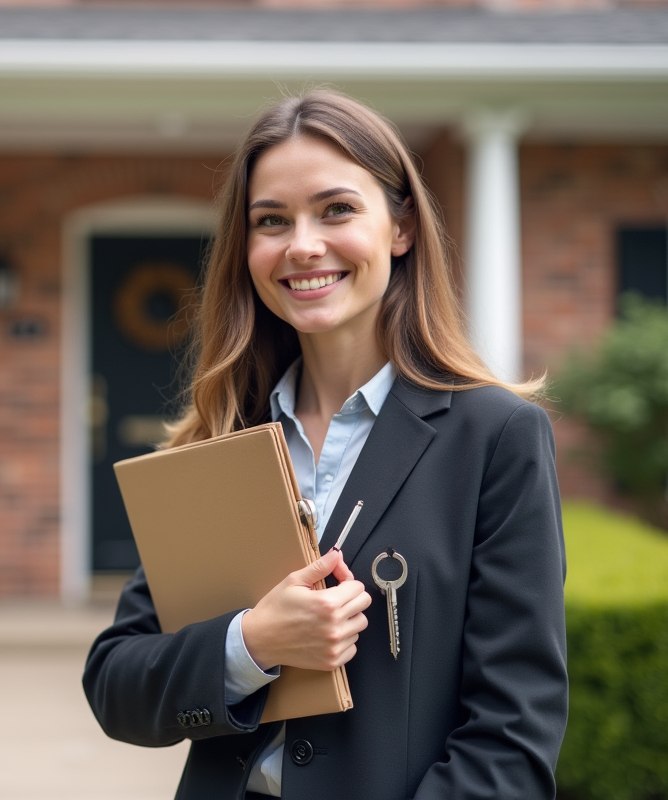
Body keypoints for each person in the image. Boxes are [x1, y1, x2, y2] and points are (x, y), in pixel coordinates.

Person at [82, 89, 568, 800]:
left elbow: (512, 745)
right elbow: (117, 683)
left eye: (336, 210)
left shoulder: (495, 439)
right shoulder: (224, 440)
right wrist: (251, 645)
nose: (302, 244)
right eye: (271, 220)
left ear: (400, 227)